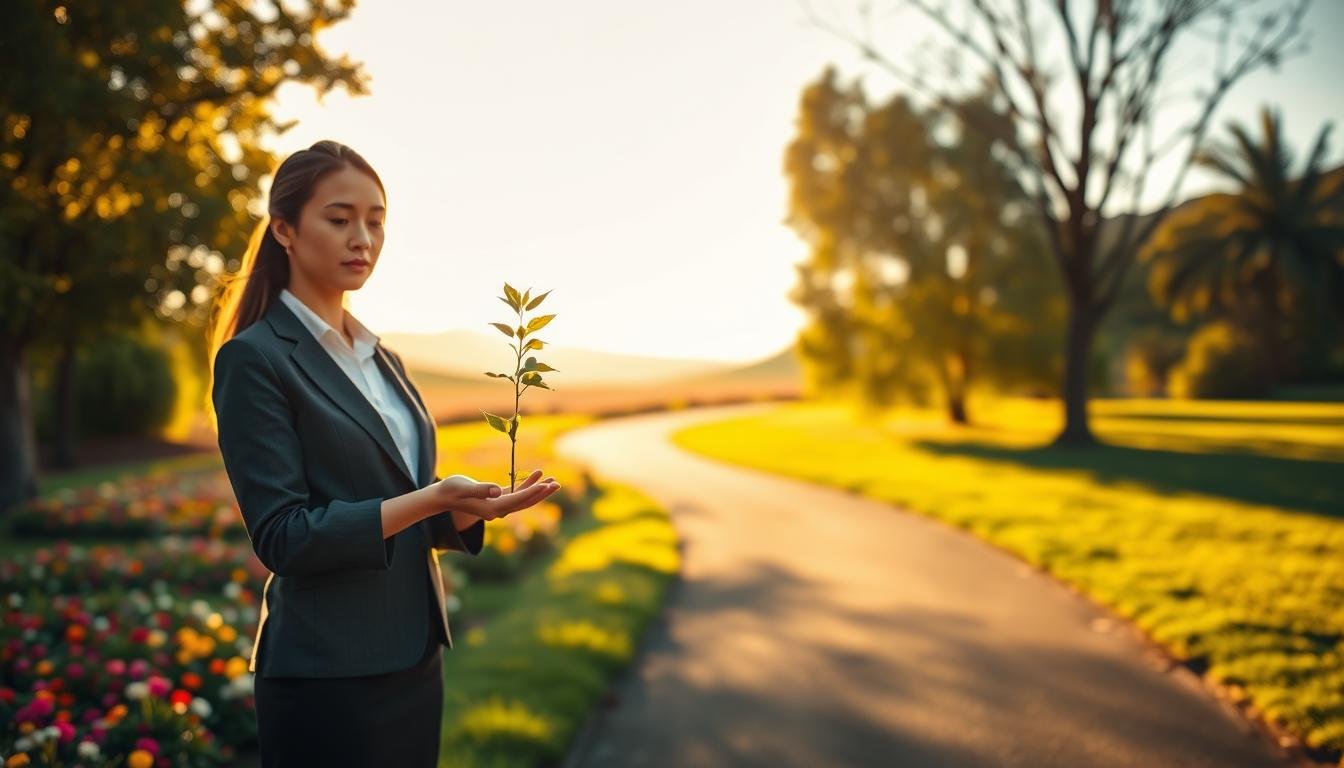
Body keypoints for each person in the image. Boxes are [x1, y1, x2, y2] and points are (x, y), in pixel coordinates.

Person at [205, 139, 561, 766]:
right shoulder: (255, 359)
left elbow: (404, 504)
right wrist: (431, 497)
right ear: (284, 229)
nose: (361, 238)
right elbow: (285, 537)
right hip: (327, 678)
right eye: (339, 219)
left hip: (414, 659)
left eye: (376, 222)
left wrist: (465, 511)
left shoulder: (383, 358)